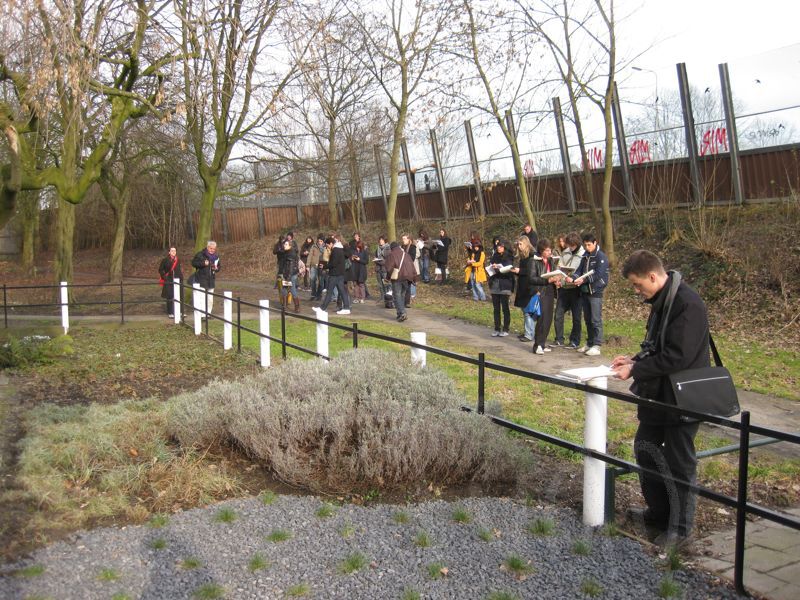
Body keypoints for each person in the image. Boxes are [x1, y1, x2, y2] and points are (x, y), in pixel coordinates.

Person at [611, 250, 711, 548]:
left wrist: (635, 369)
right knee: (645, 448)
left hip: (683, 398)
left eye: (637, 285)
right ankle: (658, 513)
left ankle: (680, 530)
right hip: (657, 394)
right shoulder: (661, 301)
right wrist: (634, 358)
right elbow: (656, 346)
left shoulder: (688, 304)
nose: (636, 291)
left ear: (653, 276)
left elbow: (677, 356)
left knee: (680, 463)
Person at [567, 233, 608, 357]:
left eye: (589, 245)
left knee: (596, 319)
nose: (587, 247)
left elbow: (598, 274)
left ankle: (597, 344)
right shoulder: (585, 256)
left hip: (595, 291)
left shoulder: (601, 257)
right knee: (588, 319)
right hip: (584, 291)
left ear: (595, 243)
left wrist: (583, 280)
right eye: (585, 245)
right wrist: (573, 278)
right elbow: (579, 270)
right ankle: (590, 343)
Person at [552, 232, 585, 349]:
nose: (570, 248)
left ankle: (574, 341)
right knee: (558, 315)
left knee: (576, 317)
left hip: (576, 289)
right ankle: (559, 339)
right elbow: (559, 266)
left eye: (572, 246)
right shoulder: (565, 252)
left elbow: (583, 271)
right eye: (569, 245)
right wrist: (558, 278)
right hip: (564, 288)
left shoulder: (583, 255)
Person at [529, 239, 560, 355]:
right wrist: (546, 280)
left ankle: (542, 343)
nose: (549, 252)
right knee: (542, 319)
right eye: (547, 250)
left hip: (550, 291)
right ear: (541, 251)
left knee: (548, 318)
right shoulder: (534, 261)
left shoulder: (551, 260)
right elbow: (532, 278)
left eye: (550, 249)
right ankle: (537, 345)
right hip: (540, 291)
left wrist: (556, 280)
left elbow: (552, 273)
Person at [313, 235, 352, 315]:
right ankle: (346, 308)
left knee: (329, 291)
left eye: (327, 245)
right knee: (342, 291)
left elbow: (333, 263)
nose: (327, 247)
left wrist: (324, 266)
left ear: (331, 243)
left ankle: (322, 308)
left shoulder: (335, 250)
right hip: (340, 274)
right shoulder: (340, 249)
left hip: (335, 274)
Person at [383, 240, 417, 322]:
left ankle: (402, 313)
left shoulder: (392, 255)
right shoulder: (406, 254)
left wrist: (387, 278)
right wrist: (414, 279)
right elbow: (412, 267)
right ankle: (399, 314)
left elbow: (389, 268)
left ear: (391, 248)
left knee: (397, 296)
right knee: (401, 296)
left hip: (398, 278)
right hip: (408, 278)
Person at [488, 240, 514, 337]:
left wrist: (498, 268)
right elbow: (491, 266)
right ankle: (497, 328)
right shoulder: (494, 256)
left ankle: (506, 328)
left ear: (505, 247)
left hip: (505, 285)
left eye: (501, 246)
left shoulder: (509, 257)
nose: (499, 248)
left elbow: (508, 270)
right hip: (495, 283)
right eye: (498, 246)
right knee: (496, 308)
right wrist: (492, 268)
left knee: (505, 308)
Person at [512, 236, 536, 342]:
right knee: (524, 310)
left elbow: (531, 271)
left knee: (528, 311)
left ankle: (529, 334)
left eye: (521, 244)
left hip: (530, 286)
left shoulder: (532, 255)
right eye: (518, 244)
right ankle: (528, 331)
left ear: (526, 244)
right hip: (522, 285)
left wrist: (519, 271)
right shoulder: (523, 256)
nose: (519, 246)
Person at [191, 240, 221, 317]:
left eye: (214, 249)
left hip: (211, 279)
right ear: (207, 247)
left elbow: (219, 267)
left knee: (210, 299)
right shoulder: (200, 254)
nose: (212, 250)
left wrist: (216, 269)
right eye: (211, 248)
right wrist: (203, 263)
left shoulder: (216, 257)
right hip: (201, 279)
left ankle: (208, 314)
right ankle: (202, 315)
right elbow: (193, 263)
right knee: (202, 297)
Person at [275, 237, 301, 312]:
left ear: (290, 245)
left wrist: (287, 279)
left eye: (286, 244)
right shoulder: (286, 252)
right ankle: (284, 306)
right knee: (284, 290)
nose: (284, 245)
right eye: (284, 244)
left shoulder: (291, 254)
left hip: (291, 275)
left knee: (292, 290)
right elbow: (283, 264)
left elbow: (290, 268)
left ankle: (296, 307)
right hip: (288, 274)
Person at [158, 247, 183, 317]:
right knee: (170, 296)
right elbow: (160, 269)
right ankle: (170, 312)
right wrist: (164, 277)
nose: (173, 252)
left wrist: (181, 277)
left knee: (179, 296)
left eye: (175, 250)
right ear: (169, 252)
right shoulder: (165, 260)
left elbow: (179, 269)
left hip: (178, 279)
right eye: (172, 251)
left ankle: (179, 311)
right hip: (169, 280)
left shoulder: (178, 260)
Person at [400, 233, 418, 304]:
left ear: (409, 239)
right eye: (402, 239)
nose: (403, 240)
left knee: (408, 286)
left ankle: (407, 302)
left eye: (404, 239)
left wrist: (404, 253)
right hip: (402, 268)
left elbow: (412, 258)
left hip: (409, 268)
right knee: (401, 285)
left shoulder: (412, 247)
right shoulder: (402, 246)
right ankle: (401, 300)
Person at [308, 234, 326, 301]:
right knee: (313, 280)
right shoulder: (314, 246)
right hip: (313, 266)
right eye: (319, 241)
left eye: (321, 241)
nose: (319, 242)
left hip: (321, 266)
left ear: (323, 241)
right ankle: (313, 294)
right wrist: (307, 265)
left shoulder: (325, 247)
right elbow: (310, 255)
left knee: (321, 281)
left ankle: (319, 294)